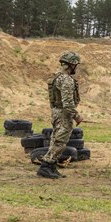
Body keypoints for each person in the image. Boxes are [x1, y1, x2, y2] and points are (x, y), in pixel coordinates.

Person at [38, 51, 84, 179]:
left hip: (56, 112)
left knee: (55, 139)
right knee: (60, 141)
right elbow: (68, 103)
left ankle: (51, 166)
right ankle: (46, 166)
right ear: (72, 65)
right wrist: (77, 116)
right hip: (64, 114)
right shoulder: (66, 80)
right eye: (76, 65)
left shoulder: (57, 77)